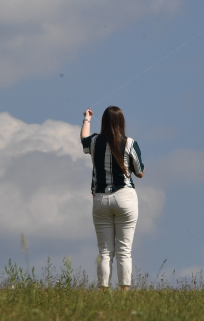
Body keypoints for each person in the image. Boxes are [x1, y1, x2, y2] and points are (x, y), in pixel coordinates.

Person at [80, 106, 144, 290]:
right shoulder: (130, 143)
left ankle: (103, 290)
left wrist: (86, 119)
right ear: (122, 122)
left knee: (105, 252)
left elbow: (83, 139)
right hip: (125, 197)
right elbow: (140, 173)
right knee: (124, 251)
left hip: (100, 199)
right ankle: (124, 293)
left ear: (104, 122)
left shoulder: (94, 142)